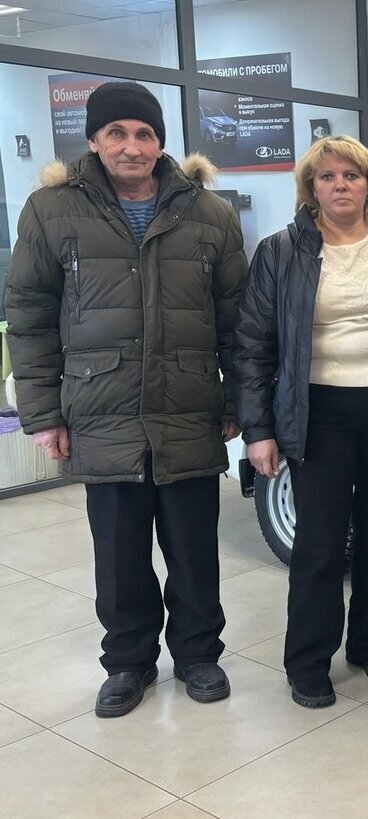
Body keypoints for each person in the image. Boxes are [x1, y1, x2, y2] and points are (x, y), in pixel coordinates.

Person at [4, 82, 246, 717]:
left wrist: (237, 403)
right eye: (117, 133)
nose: (131, 146)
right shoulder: (50, 211)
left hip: (188, 405)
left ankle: (199, 655)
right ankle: (128, 663)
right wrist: (43, 414)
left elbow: (238, 320)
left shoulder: (210, 214)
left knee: (194, 550)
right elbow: (28, 317)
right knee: (118, 555)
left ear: (160, 142)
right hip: (101, 410)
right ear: (93, 140)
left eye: (144, 134)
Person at [233, 135, 368, 708]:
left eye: (351, 175)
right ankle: (308, 660)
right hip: (316, 412)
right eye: (327, 177)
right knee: (319, 543)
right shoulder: (280, 251)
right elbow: (252, 345)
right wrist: (258, 430)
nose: (340, 185)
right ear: (311, 188)